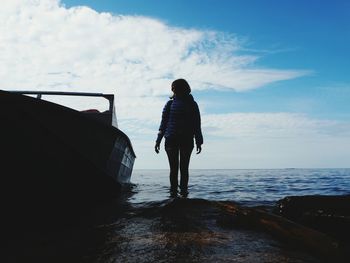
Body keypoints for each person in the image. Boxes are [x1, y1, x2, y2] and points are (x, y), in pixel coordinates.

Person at [155, 79, 203, 197]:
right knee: (173, 169)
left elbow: (197, 123)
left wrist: (199, 141)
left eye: (174, 87)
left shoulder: (192, 104)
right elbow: (163, 123)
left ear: (183, 88)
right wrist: (158, 140)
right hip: (171, 140)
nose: (172, 89)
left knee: (184, 169)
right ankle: (173, 195)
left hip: (187, 140)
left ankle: (184, 194)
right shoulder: (169, 104)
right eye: (172, 87)